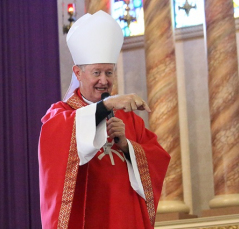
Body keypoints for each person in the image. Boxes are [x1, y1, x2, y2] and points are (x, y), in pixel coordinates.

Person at [38, 10, 170, 229]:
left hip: (125, 217)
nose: (103, 80)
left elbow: (158, 158)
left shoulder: (128, 118)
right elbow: (58, 151)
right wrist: (107, 105)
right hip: (86, 217)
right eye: (96, 72)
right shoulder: (60, 115)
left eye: (109, 73)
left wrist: (126, 145)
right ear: (78, 73)